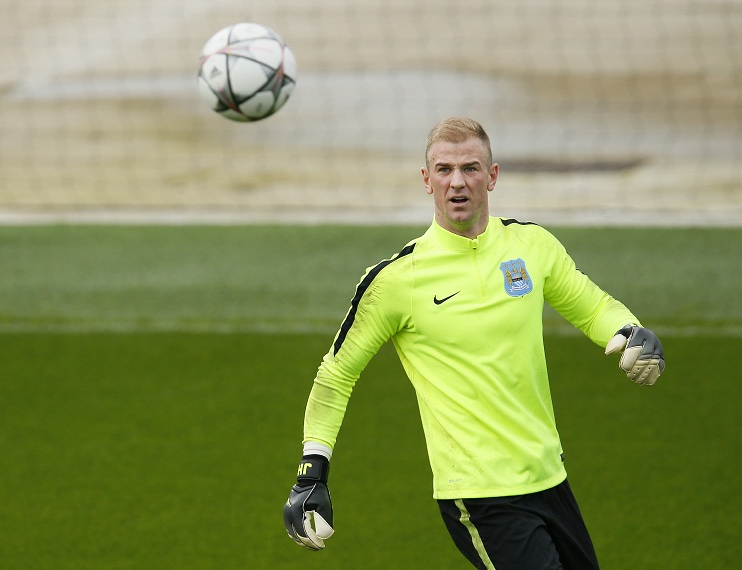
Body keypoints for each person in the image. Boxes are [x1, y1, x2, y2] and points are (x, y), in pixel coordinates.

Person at [283, 116, 665, 569]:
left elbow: (595, 307)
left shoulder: (532, 246)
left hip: (549, 477)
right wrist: (312, 472)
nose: (457, 182)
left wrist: (631, 331)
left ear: (493, 175)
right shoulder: (395, 281)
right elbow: (336, 375)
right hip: (479, 495)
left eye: (470, 168)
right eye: (444, 170)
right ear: (427, 181)